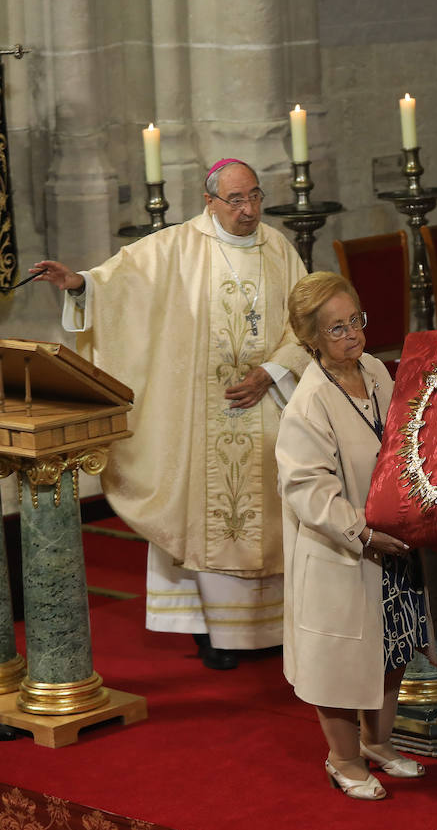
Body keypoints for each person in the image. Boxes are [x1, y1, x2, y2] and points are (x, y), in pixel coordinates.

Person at [29, 159, 309, 670]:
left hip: (268, 405)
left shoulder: (280, 249)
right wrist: (79, 286)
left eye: (255, 197)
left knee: (274, 511)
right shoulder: (178, 246)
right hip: (198, 417)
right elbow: (121, 284)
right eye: (236, 201)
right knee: (196, 511)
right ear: (210, 202)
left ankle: (269, 629)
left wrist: (271, 371)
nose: (249, 211)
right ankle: (213, 631)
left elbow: (304, 322)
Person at [276, 272, 430, 801]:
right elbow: (306, 488)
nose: (352, 335)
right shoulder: (310, 401)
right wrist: (362, 532)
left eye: (356, 320)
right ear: (311, 340)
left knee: (392, 646)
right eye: (336, 328)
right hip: (344, 549)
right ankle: (342, 759)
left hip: (391, 544)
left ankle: (378, 743)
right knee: (339, 663)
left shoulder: (374, 370)